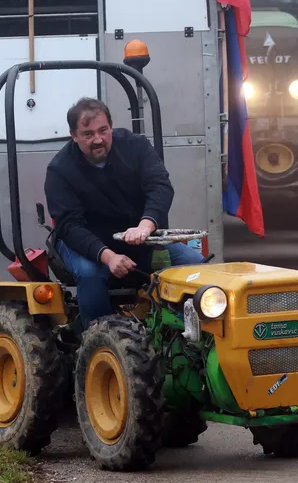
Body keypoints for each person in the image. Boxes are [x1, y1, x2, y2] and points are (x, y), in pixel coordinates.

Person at [44, 97, 206, 324]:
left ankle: (193, 335)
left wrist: (146, 225)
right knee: (91, 274)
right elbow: (69, 226)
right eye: (88, 134)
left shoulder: (135, 146)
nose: (98, 139)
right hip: (85, 242)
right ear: (73, 135)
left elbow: (160, 186)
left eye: (103, 130)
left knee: (194, 263)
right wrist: (108, 257)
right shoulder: (60, 170)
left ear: (111, 126)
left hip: (137, 235)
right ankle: (97, 341)